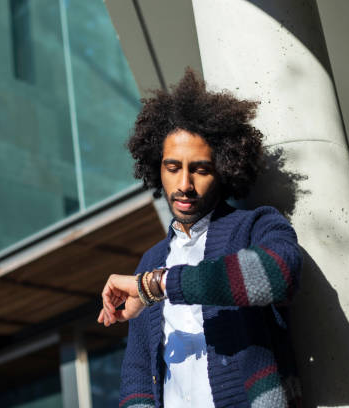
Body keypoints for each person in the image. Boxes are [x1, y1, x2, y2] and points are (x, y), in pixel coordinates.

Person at [97, 69, 303, 408]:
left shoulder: (253, 225)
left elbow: (278, 274)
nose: (185, 185)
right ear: (156, 168)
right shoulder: (150, 262)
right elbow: (137, 372)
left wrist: (157, 286)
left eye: (201, 169)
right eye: (173, 167)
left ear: (224, 169)